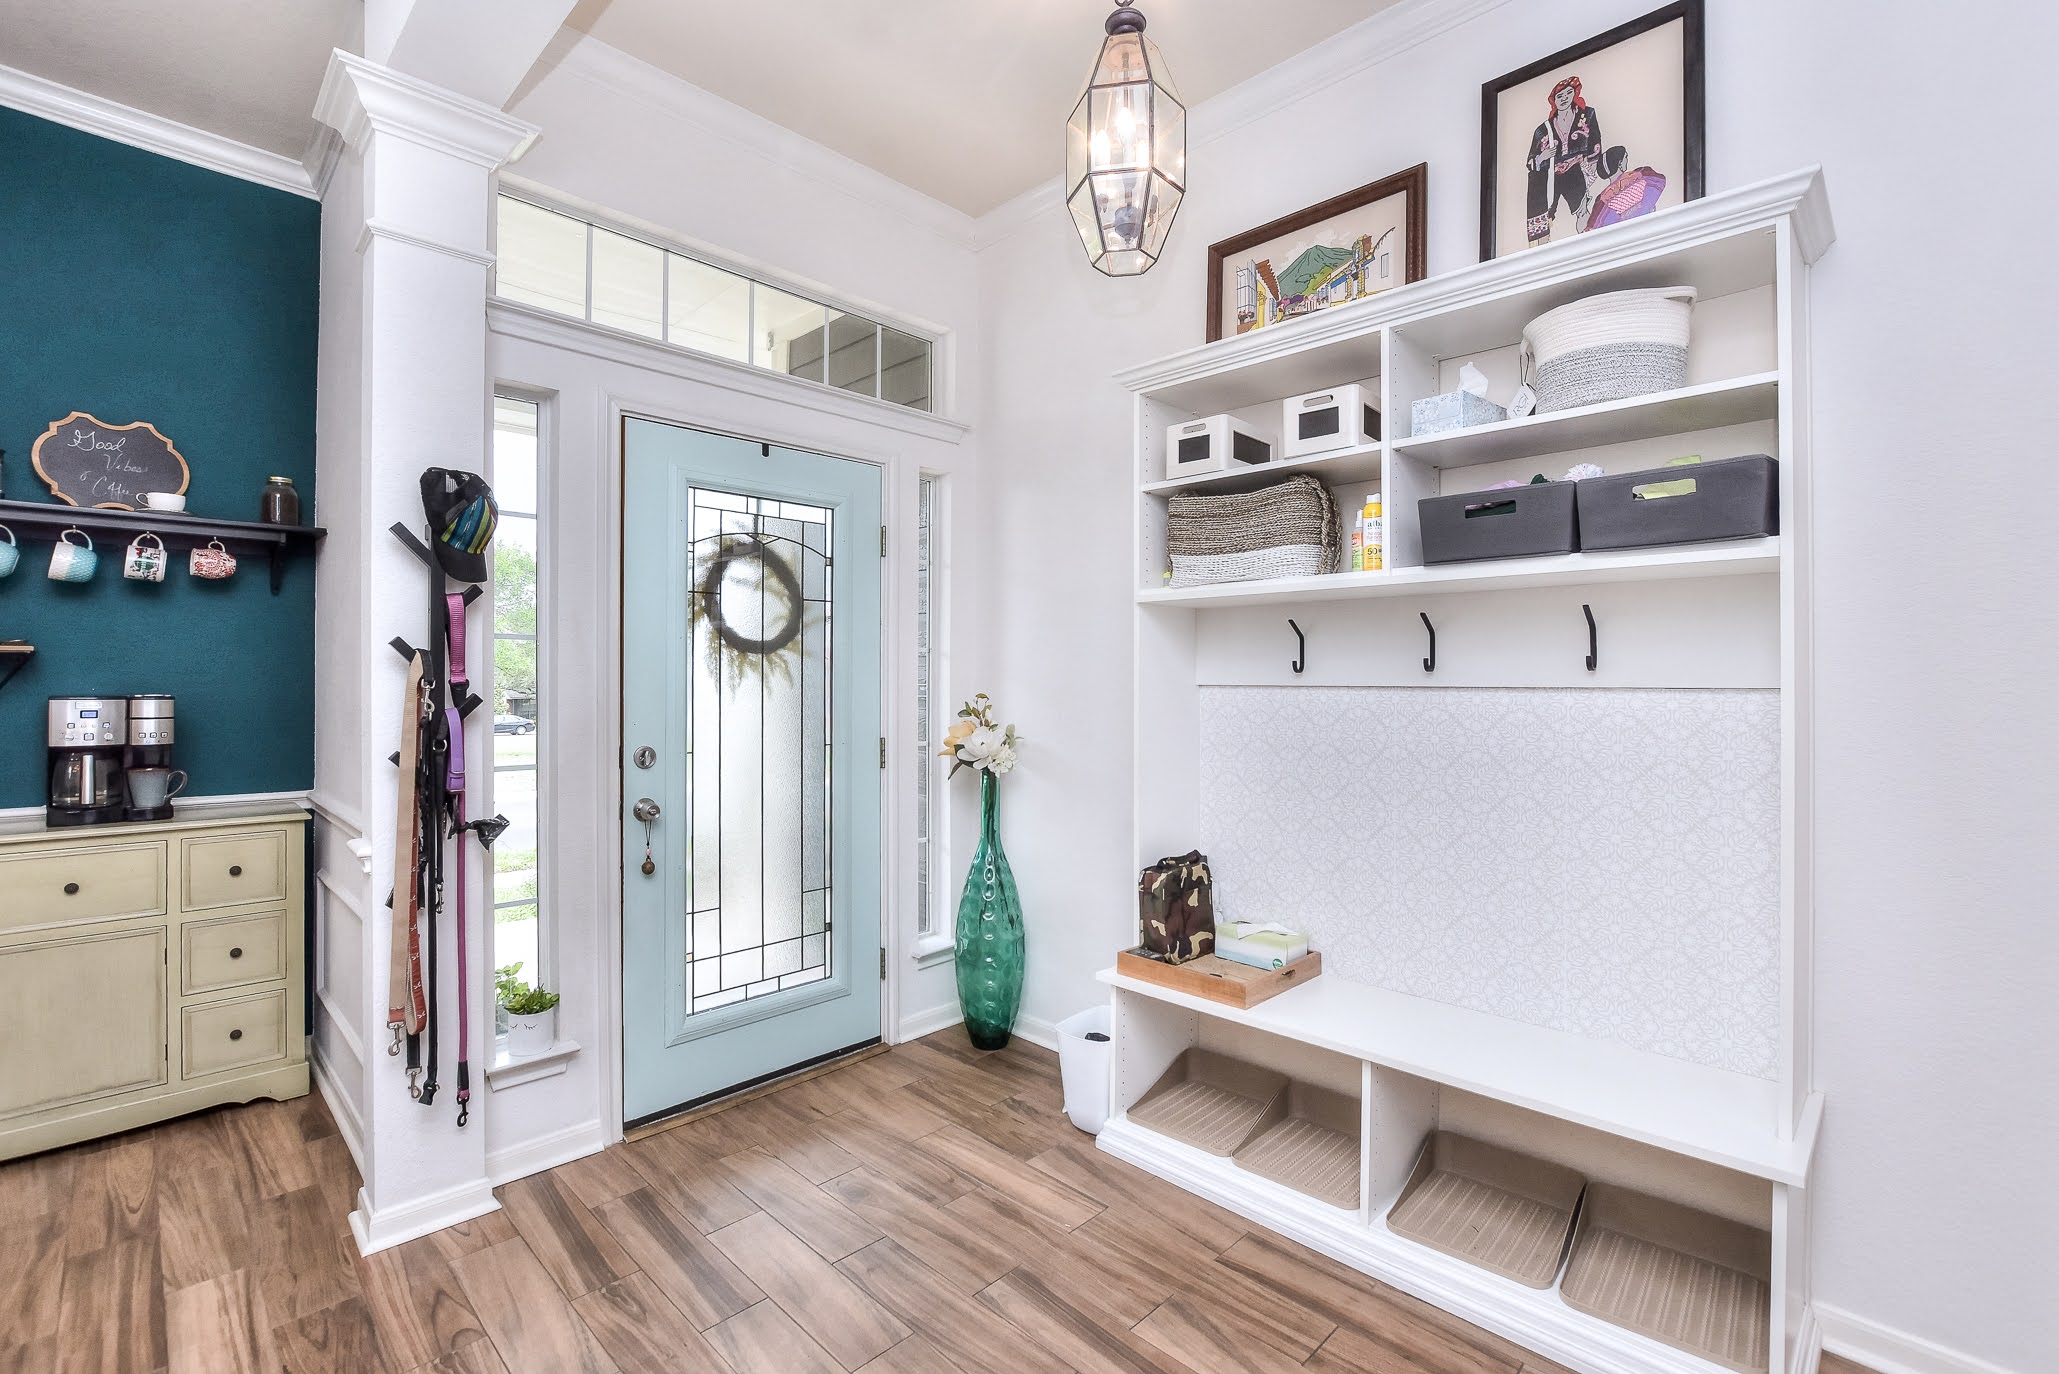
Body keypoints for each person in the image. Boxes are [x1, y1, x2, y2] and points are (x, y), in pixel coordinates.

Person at [1524, 75, 1627, 245]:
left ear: (1574, 94)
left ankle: (1590, 244)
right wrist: (1542, 157)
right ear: (1554, 101)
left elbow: (1595, 140)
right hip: (1550, 176)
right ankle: (1540, 250)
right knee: (1545, 215)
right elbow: (1530, 162)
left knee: (1582, 210)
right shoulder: (1543, 129)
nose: (1564, 98)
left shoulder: (1587, 114)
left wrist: (1591, 164)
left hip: (1576, 169)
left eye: (1568, 93)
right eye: (1559, 96)